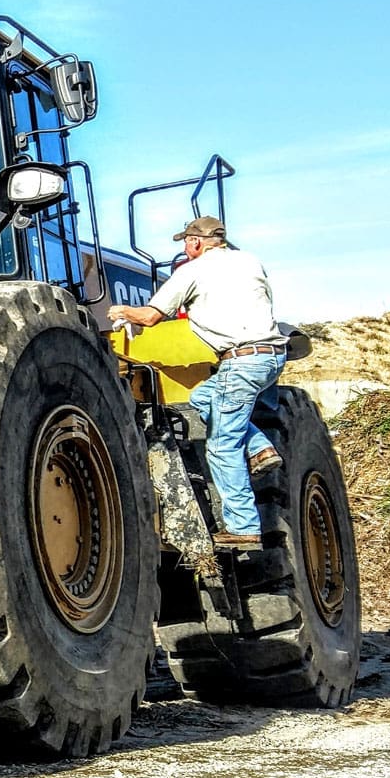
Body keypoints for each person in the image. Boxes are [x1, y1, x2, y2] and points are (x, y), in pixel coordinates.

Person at [108, 216, 288, 549]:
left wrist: (122, 312)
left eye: (185, 243)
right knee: (204, 397)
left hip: (241, 360)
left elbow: (150, 317)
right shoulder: (249, 261)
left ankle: (243, 527)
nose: (184, 249)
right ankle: (260, 447)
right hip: (272, 356)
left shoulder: (191, 271)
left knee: (222, 446)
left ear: (195, 243)